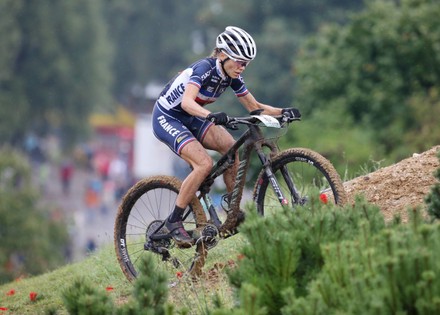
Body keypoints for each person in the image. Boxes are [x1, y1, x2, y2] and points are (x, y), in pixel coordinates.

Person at [152, 26, 300, 247]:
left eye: (246, 63)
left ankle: (233, 212)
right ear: (222, 54)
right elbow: (187, 102)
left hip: (192, 116)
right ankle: (174, 221)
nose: (242, 67)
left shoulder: (232, 76)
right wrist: (211, 115)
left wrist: (282, 112)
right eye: (239, 61)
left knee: (231, 148)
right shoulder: (204, 69)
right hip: (169, 116)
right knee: (203, 164)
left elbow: (255, 107)